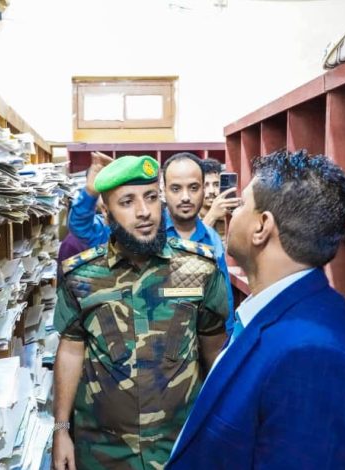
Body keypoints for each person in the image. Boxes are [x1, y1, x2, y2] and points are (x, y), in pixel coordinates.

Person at [167, 150, 345, 469]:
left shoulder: (313, 354)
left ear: (261, 226)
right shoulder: (283, 313)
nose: (233, 213)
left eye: (242, 205)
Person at [52, 155, 229, 470]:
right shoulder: (81, 276)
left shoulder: (199, 268)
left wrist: (223, 424)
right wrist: (61, 430)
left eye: (151, 197)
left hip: (180, 443)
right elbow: (70, 351)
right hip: (103, 451)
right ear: (107, 212)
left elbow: (214, 352)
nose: (144, 211)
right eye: (127, 202)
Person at [68, 152, 233, 319]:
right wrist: (90, 193)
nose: (185, 197)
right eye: (176, 189)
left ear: (203, 190)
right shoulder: (141, 231)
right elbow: (81, 227)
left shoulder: (212, 239)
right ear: (164, 191)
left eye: (194, 188)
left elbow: (222, 303)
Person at [199, 157, 240, 233]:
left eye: (216, 185)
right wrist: (212, 215)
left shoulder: (229, 217)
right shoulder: (189, 218)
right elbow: (193, 239)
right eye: (205, 185)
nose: (211, 191)